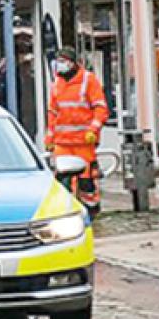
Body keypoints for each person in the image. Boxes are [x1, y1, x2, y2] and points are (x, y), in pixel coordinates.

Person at [45, 47, 109, 214]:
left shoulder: (88, 80)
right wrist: (49, 138)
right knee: (62, 181)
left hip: (83, 142)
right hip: (63, 143)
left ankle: (91, 211)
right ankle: (66, 213)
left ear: (73, 63)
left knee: (86, 181)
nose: (60, 65)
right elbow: (53, 112)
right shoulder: (57, 83)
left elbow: (101, 109)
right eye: (59, 61)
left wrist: (93, 130)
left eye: (63, 61)